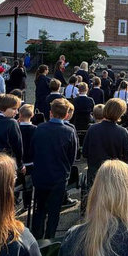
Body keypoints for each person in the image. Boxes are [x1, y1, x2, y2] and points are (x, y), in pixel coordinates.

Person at [32, 99, 78, 239]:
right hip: (59, 176)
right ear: (66, 115)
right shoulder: (69, 131)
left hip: (41, 174)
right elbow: (73, 155)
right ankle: (50, 238)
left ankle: (36, 237)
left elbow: (33, 149)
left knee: (39, 208)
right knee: (54, 210)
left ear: (50, 113)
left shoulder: (39, 128)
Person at [83, 99, 128, 186]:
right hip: (114, 175)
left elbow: (85, 153)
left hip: (95, 174)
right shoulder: (123, 132)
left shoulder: (92, 129)